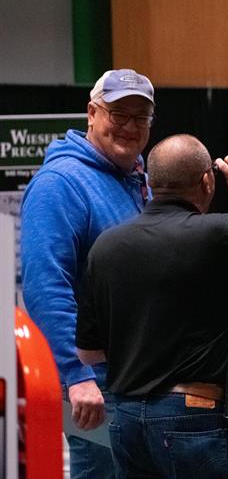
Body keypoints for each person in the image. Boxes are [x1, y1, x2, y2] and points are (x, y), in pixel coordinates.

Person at [75, 135, 228, 477]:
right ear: (207, 181)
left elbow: (89, 353)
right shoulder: (222, 233)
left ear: (150, 182)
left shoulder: (106, 246)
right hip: (197, 415)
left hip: (127, 420)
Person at [20, 68, 155, 477]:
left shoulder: (137, 178)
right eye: (118, 114)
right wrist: (75, 376)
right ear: (92, 114)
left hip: (137, 378)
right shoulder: (58, 184)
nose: (129, 126)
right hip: (92, 384)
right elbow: (45, 286)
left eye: (140, 117)